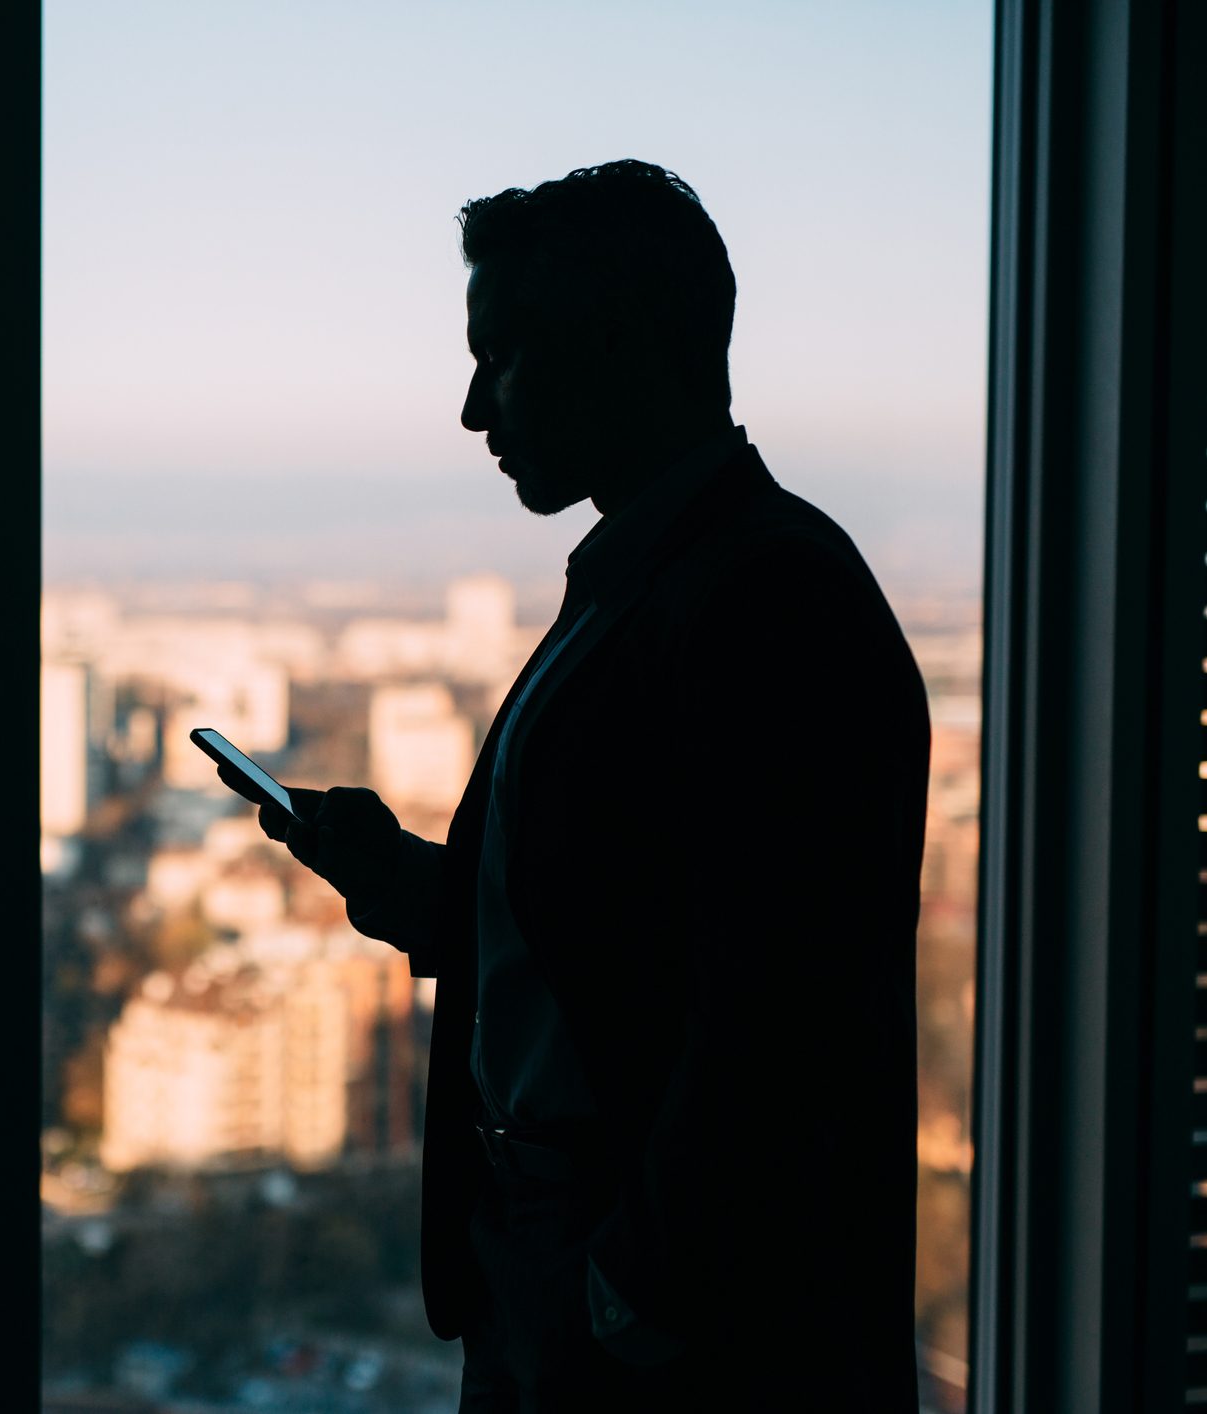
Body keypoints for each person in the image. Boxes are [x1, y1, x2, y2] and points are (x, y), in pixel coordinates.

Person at [221, 160, 930, 1412]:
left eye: (501, 357)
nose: (472, 410)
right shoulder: (661, 584)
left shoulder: (768, 601)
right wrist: (411, 885)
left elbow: (781, 1009)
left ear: (618, 344)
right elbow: (619, 931)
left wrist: (633, 1297)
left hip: (661, 1324)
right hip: (572, 1268)